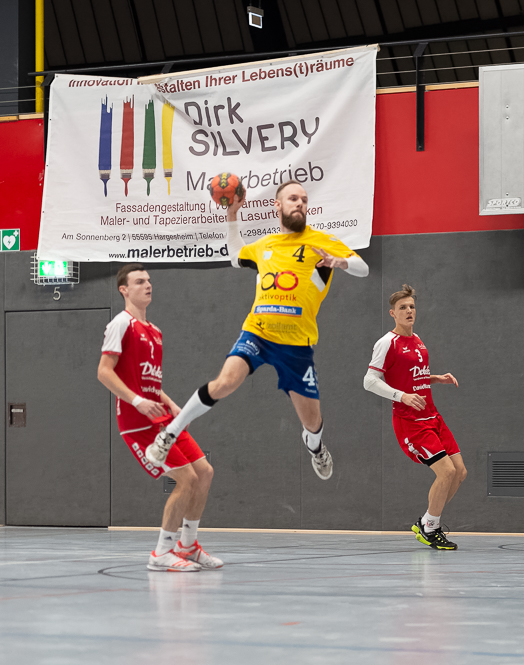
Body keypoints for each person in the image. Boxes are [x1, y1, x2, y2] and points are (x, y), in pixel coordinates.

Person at [144, 180, 369, 480]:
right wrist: (232, 216)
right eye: (293, 198)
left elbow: (363, 268)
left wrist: (340, 262)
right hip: (258, 332)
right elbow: (236, 256)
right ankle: (169, 434)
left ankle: (315, 448)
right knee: (224, 382)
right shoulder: (265, 245)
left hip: (296, 345)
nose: (300, 203)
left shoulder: (321, 241)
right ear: (278, 205)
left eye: (304, 199)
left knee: (312, 422)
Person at [98, 263, 222, 572]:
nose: (147, 285)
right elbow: (104, 371)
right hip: (137, 421)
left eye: (149, 280)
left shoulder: (155, 331)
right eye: (139, 281)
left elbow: (149, 380)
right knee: (186, 479)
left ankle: (188, 545)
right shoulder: (121, 323)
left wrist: (172, 405)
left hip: (163, 418)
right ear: (124, 290)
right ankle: (161, 553)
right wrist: (137, 401)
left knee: (204, 472)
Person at [363, 285, 466, 550]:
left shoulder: (417, 339)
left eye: (411, 306)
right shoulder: (387, 343)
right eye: (403, 308)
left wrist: (436, 379)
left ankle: (427, 522)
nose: (409, 311)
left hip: (432, 415)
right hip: (410, 422)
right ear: (393, 313)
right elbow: (369, 381)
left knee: (459, 472)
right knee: (445, 472)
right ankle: (430, 528)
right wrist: (401, 396)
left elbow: (411, 375)